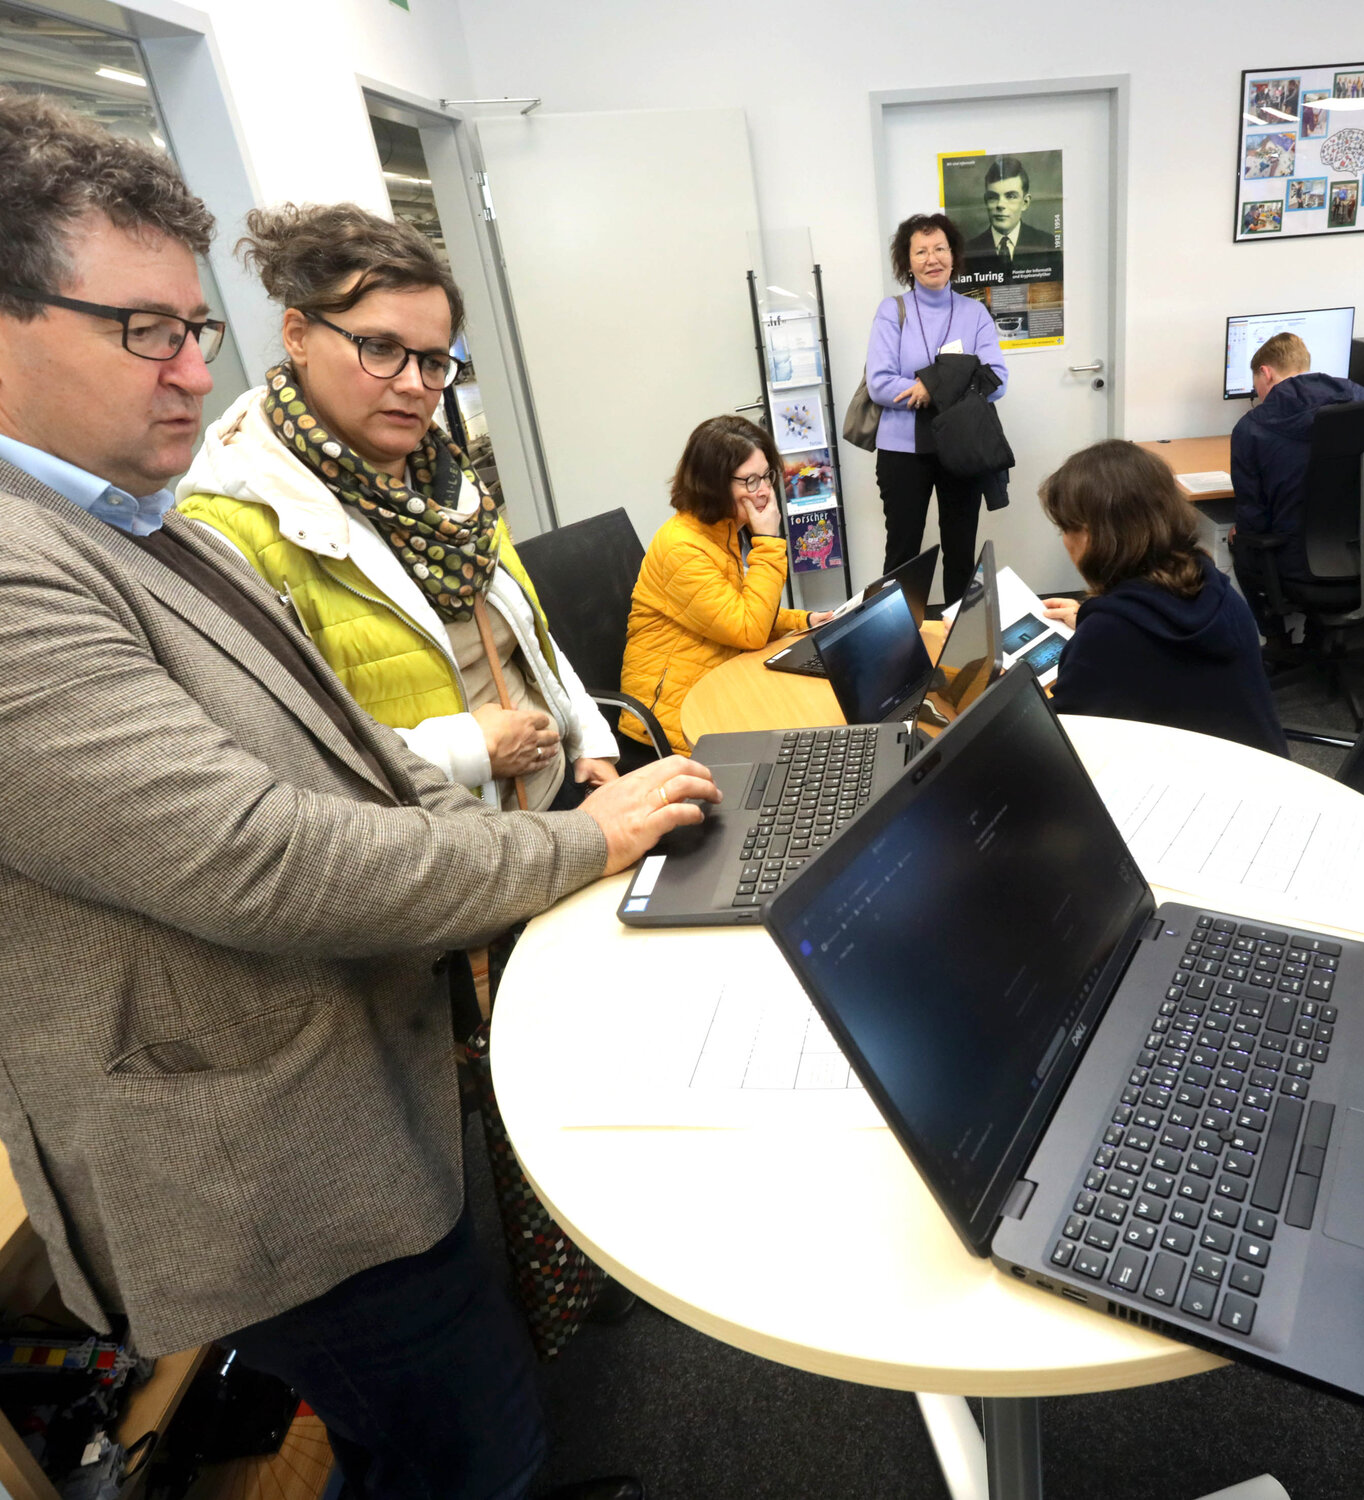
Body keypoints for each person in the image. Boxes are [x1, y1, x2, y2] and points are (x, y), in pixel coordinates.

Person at [0, 93, 716, 1500]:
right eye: (144, 329)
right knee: (466, 1433)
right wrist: (571, 840)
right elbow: (256, 856)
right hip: (256, 1148)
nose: (188, 373)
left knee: (451, 1412)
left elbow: (344, 747)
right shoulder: (52, 561)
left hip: (363, 1046)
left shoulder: (124, 521)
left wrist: (555, 791)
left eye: (193, 329)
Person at [177, 203, 617, 813]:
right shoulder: (233, 529)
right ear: (298, 336)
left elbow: (528, 636)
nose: (414, 384)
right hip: (451, 853)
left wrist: (589, 739)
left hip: (559, 796)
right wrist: (468, 748)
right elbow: (274, 763)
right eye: (381, 348)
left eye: (433, 360)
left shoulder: (449, 486)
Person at [1038, 440, 1287, 756]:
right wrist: (1091, 617)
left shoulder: (1110, 633)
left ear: (1089, 537)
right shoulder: (1213, 584)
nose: (1063, 540)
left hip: (1185, 795)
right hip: (1262, 777)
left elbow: (1059, 735)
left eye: (1064, 529)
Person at [621, 415, 832, 755]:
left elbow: (736, 610)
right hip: (670, 719)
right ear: (713, 484)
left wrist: (803, 621)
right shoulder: (682, 546)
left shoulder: (721, 528)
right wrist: (767, 541)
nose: (763, 490)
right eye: (749, 480)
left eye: (766, 476)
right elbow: (748, 629)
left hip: (716, 680)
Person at [866, 211, 1007, 606]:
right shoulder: (891, 311)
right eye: (921, 251)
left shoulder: (974, 313)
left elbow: (995, 379)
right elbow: (879, 383)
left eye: (940, 248)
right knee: (903, 554)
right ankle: (894, 644)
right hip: (902, 452)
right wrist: (954, 381)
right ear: (906, 261)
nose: (932, 259)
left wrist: (927, 387)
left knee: (961, 551)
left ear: (953, 254)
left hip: (962, 450)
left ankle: (960, 644)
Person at [1225, 329, 1364, 611]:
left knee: (1240, 540)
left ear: (1266, 373)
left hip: (1297, 563)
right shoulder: (1363, 399)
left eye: (1256, 384)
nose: (1258, 395)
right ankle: (1319, 636)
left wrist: (1241, 530)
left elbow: (1254, 517)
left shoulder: (1252, 429)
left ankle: (1277, 639)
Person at [960, 156, 1057, 272]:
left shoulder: (1047, 245)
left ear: (1025, 203)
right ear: (986, 201)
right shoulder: (968, 251)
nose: (1000, 205)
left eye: (1011, 196)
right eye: (993, 197)